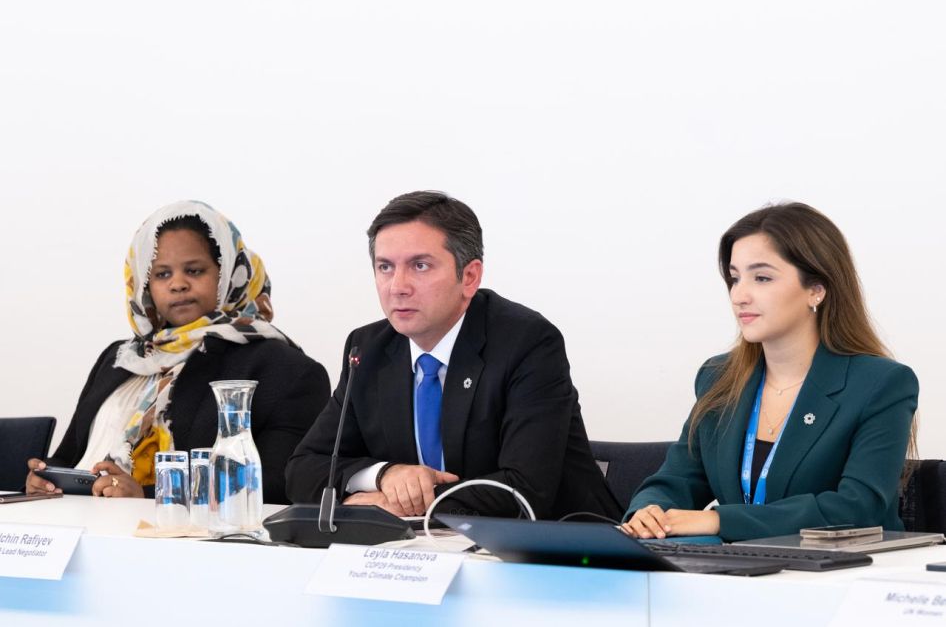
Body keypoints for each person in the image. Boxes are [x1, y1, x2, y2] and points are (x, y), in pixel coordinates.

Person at [285, 191, 621, 520]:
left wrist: (405, 503)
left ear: (470, 277)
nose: (397, 286)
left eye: (420, 266)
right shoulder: (369, 349)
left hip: (561, 545)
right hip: (420, 548)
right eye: (385, 267)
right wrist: (384, 475)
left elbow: (524, 490)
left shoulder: (527, 343)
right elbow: (302, 470)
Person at [622, 203, 918, 541]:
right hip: (740, 564)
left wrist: (719, 521)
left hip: (846, 567)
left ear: (816, 290)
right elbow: (677, 480)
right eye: (735, 278)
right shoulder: (719, 377)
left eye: (761, 278)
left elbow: (857, 508)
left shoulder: (881, 384)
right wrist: (649, 511)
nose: (739, 295)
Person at [26, 201, 330, 504]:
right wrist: (46, 477)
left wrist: (146, 495)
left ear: (228, 272)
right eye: (162, 274)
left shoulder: (286, 370)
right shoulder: (120, 359)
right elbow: (70, 456)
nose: (178, 284)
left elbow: (281, 485)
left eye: (194, 271)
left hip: (175, 531)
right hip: (76, 521)